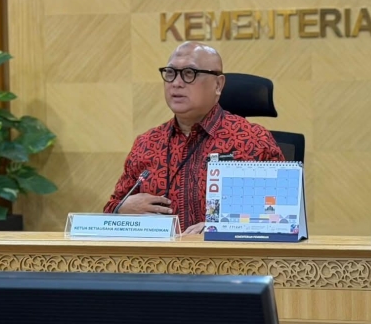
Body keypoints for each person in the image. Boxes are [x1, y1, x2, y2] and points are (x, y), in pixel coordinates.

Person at [104, 42, 284, 234]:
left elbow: (283, 215)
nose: (176, 82)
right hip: (157, 261)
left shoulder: (253, 141)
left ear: (218, 84)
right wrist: (121, 210)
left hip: (231, 261)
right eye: (171, 73)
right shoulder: (146, 144)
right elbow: (109, 211)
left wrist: (222, 228)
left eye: (189, 73)